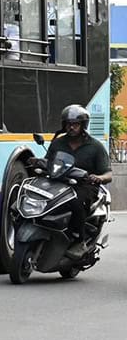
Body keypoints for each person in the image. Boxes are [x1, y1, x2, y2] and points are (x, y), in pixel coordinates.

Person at [43, 104, 112, 259]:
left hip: (85, 185)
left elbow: (108, 174)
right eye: (68, 124)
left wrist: (99, 178)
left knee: (75, 201)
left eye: (75, 124)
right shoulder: (58, 143)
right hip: (59, 182)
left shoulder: (95, 146)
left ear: (83, 125)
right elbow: (47, 162)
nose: (71, 127)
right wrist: (37, 162)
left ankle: (79, 240)